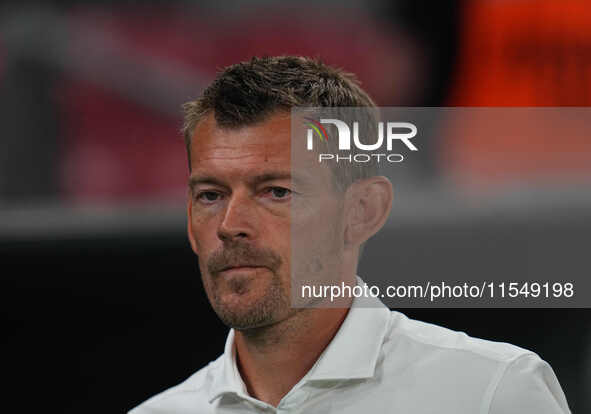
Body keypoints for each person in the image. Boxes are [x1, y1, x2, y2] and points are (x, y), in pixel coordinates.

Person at [129, 56, 571, 413]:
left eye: (277, 191)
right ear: (190, 221)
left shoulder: (494, 392)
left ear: (363, 212)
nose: (230, 225)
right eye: (211, 195)